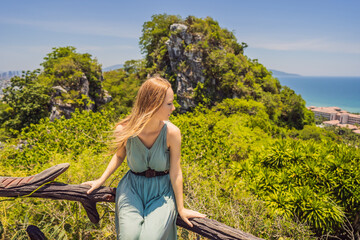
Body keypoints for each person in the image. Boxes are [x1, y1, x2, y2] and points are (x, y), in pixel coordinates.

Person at [82, 76, 206, 239]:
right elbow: (119, 156)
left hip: (161, 193)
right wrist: (101, 180)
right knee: (129, 236)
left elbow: (176, 171)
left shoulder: (172, 133)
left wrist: (181, 208)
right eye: (169, 104)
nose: (174, 108)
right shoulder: (124, 130)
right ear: (153, 105)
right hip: (131, 189)